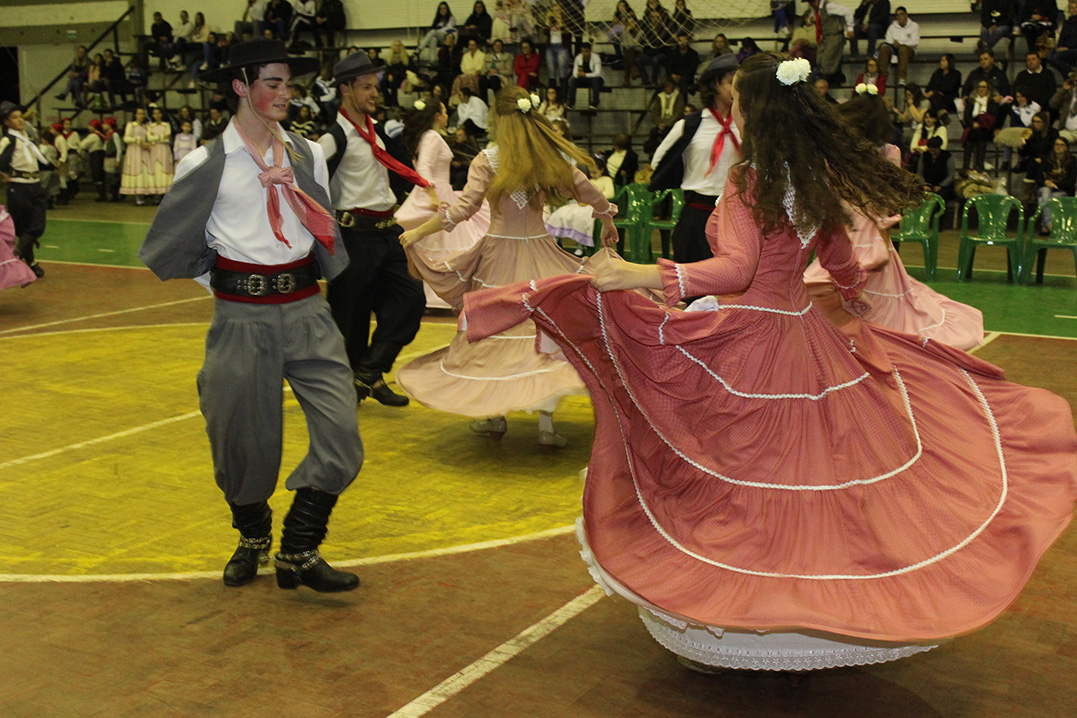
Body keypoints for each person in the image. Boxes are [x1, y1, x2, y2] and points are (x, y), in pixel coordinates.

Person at [460, 52, 1077, 673]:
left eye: (739, 106)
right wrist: (856, 302)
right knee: (812, 468)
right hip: (806, 337)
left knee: (741, 464)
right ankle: (809, 604)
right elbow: (836, 254)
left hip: (750, 340)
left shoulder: (750, 180)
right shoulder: (813, 176)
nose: (735, 115)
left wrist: (635, 273)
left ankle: (745, 607)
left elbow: (738, 270)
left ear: (756, 113)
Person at [138, 37, 361, 593]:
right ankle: (254, 536)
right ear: (241, 86)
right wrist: (225, 284)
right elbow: (172, 241)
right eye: (273, 83)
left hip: (308, 309)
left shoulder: (306, 154)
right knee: (238, 440)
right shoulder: (204, 162)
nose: (286, 94)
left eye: (289, 83)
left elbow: (324, 222)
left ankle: (300, 546)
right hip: (241, 316)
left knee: (342, 432)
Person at [397, 84, 617, 446]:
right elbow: (587, 189)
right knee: (544, 332)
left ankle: (495, 416)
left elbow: (463, 209)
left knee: (492, 330)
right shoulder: (546, 157)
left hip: (497, 258)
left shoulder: (488, 159)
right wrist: (607, 219)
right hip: (540, 253)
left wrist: (419, 231)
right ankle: (546, 426)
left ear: (497, 119)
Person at [804, 93, 983, 350]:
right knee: (876, 294)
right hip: (869, 231)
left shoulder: (835, 156)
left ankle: (849, 340)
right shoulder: (886, 153)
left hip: (846, 232)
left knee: (837, 285)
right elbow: (885, 204)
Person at [318, 51, 430, 407]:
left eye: (375, 86)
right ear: (345, 89)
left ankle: (369, 370)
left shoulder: (374, 133)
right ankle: (352, 381)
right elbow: (311, 191)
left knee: (410, 300)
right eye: (366, 87)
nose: (373, 93)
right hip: (353, 234)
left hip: (386, 231)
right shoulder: (332, 139)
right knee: (350, 313)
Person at [395, 99, 489, 309]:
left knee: (440, 243)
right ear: (438, 116)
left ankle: (438, 294)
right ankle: (439, 294)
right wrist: (433, 196)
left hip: (441, 192)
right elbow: (424, 168)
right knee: (444, 243)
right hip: (438, 193)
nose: (447, 115)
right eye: (445, 111)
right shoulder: (432, 137)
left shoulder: (431, 137)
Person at [649, 55, 740, 265]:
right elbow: (659, 161)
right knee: (693, 286)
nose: (737, 90)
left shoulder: (746, 124)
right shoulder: (690, 124)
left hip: (736, 215)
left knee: (732, 286)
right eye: (731, 83)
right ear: (715, 85)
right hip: (698, 213)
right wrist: (688, 172)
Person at [0, 102, 51, 279]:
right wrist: (2, 172)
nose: (19, 120)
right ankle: (29, 262)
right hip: (19, 186)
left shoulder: (25, 138)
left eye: (20, 116)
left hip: (34, 184)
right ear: (6, 122)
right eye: (14, 117)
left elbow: (34, 158)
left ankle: (17, 257)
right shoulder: (8, 139)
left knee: (37, 224)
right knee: (22, 227)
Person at [1032, 137, 1076, 234]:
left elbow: (1071, 181)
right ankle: (1050, 224)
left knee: (1045, 199)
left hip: (1062, 190)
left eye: (1061, 145)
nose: (1058, 147)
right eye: (1056, 144)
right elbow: (1038, 177)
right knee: (1045, 192)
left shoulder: (1072, 161)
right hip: (1046, 188)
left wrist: (1055, 184)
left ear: (1066, 148)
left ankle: (1045, 227)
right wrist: (1046, 182)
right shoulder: (1047, 159)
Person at [806, 0, 854, 85]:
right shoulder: (817, 9)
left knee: (828, 61)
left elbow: (847, 11)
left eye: (812, 2)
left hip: (835, 35)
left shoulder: (829, 7)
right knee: (819, 60)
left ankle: (829, 82)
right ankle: (836, 77)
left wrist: (850, 28)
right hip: (825, 37)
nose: (811, 4)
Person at [876, 6, 918, 87]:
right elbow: (888, 40)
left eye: (901, 14)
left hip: (909, 51)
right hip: (894, 50)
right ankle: (883, 77)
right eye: (897, 15)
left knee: (903, 49)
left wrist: (900, 44)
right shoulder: (892, 27)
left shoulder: (914, 26)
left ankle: (902, 77)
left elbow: (915, 41)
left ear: (906, 15)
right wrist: (895, 45)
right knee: (884, 48)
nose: (899, 17)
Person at [963, 79, 1000, 170]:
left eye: (984, 87)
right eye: (979, 87)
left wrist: (983, 122)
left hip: (986, 127)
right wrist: (973, 123)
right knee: (971, 134)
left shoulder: (991, 102)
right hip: (974, 126)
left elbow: (994, 115)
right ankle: (966, 166)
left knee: (980, 134)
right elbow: (967, 115)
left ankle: (979, 165)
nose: (981, 89)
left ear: (988, 89)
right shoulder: (972, 101)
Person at [645, 76, 685, 156]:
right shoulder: (660, 97)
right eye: (666, 86)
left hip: (672, 123)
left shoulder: (678, 96)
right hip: (661, 122)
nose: (668, 88)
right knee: (653, 132)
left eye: (670, 86)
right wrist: (659, 123)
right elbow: (655, 111)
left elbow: (678, 112)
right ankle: (653, 153)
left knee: (666, 133)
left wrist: (667, 123)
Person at [120, 107, 152, 205]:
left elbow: (148, 137)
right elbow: (126, 138)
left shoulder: (145, 126)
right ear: (135, 115)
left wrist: (147, 144)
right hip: (134, 150)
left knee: (143, 171)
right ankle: (137, 196)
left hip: (143, 151)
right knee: (136, 170)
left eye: (142, 114)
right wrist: (137, 140)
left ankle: (142, 195)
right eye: (139, 114)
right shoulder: (131, 125)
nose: (141, 116)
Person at [1014, 51, 1057, 116]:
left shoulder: (1048, 74)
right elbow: (1017, 90)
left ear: (1039, 60)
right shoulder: (1022, 75)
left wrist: (1041, 105)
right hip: (1026, 107)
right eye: (1028, 60)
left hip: (1044, 107)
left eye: (1033, 59)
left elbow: (1052, 90)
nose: (1031, 62)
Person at [146, 105, 175, 201]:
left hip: (164, 150)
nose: (157, 115)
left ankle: (165, 192)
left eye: (159, 113)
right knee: (156, 169)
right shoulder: (150, 126)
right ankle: (157, 194)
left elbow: (167, 139)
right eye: (155, 114)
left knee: (165, 168)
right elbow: (149, 138)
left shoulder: (166, 125)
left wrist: (155, 138)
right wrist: (161, 137)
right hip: (154, 151)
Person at [917, 135, 955, 201]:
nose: (932, 153)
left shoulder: (947, 156)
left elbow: (951, 175)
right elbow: (919, 173)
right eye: (930, 151)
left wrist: (941, 186)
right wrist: (924, 185)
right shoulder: (924, 156)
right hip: (927, 184)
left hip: (942, 185)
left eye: (934, 150)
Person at [567, 42, 604, 109]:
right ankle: (571, 103)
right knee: (572, 80)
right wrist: (578, 75)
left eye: (586, 51)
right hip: (582, 78)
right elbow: (574, 73)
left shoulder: (596, 58)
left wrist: (585, 75)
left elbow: (597, 73)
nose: (584, 53)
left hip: (595, 78)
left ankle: (595, 103)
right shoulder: (578, 58)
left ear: (590, 51)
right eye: (582, 51)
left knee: (595, 81)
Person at [666, 32, 699, 97]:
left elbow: (692, 69)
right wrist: (672, 74)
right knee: (664, 83)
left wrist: (680, 75)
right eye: (680, 40)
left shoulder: (694, 54)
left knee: (683, 82)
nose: (682, 43)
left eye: (684, 40)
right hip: (674, 76)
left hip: (687, 77)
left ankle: (683, 104)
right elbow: (668, 66)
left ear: (688, 41)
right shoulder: (673, 53)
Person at [101, 116, 124, 202]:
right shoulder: (107, 135)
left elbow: (119, 148)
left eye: (105, 124)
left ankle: (116, 195)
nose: (103, 125)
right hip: (107, 158)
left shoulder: (115, 135)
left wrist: (118, 160)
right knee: (109, 177)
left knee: (114, 178)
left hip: (113, 158)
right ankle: (113, 195)